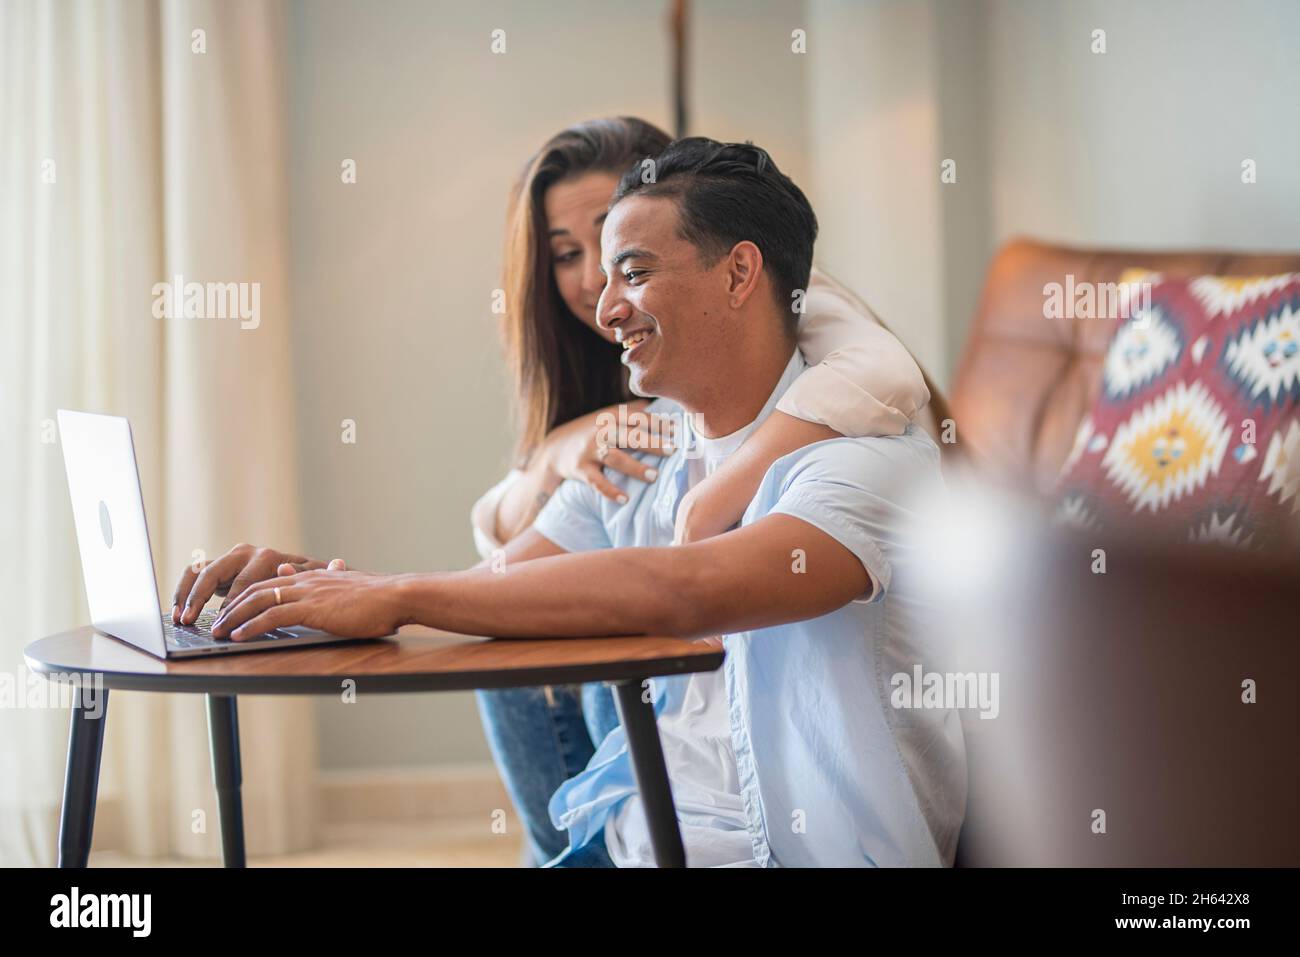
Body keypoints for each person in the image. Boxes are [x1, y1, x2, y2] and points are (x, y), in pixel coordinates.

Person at [182, 135, 967, 867]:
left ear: (738, 274)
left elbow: (689, 588)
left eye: (634, 271)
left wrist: (396, 594)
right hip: (629, 842)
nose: (605, 305)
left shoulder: (867, 464)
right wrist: (319, 588)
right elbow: (493, 591)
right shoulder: (642, 450)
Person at [468, 117, 944, 865]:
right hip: (653, 808)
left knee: (604, 632)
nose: (596, 287)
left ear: (736, 271)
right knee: (522, 636)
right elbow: (492, 570)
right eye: (570, 255)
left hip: (781, 805)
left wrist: (708, 499)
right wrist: (334, 595)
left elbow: (889, 375)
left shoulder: (823, 349)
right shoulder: (640, 430)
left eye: (625, 259)